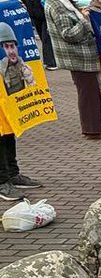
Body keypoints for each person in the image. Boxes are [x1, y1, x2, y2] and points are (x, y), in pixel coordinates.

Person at [43, 0, 101, 140]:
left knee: (90, 92)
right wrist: (83, 20)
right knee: (88, 94)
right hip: (78, 57)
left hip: (81, 56)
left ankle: (92, 128)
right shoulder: (56, 5)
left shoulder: (61, 2)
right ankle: (92, 130)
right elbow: (68, 34)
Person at [0, 25, 42, 196]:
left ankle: (12, 173)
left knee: (9, 136)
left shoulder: (18, 65)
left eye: (12, 46)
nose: (11, 51)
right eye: (6, 47)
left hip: (8, 106)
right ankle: (2, 181)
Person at [21, 0, 56, 70]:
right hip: (35, 18)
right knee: (42, 38)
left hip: (44, 17)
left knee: (46, 39)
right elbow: (24, 0)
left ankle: (51, 63)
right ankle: (52, 59)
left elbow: (41, 1)